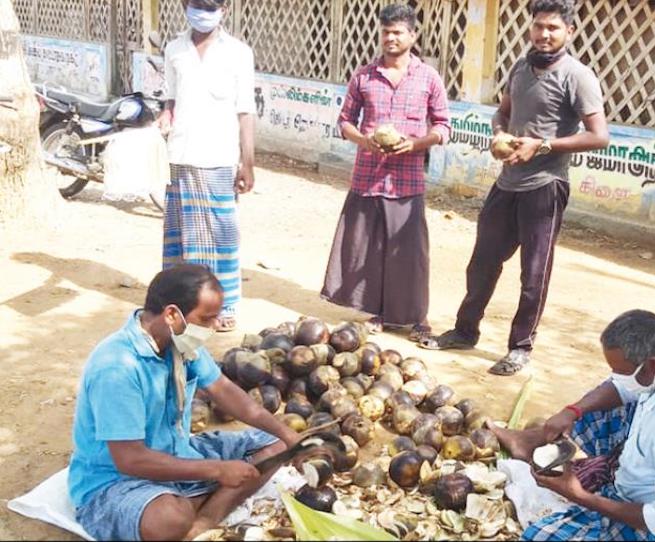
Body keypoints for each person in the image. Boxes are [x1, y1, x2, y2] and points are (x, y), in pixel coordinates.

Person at [420, 0, 609, 375]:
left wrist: (542, 145)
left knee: (533, 274)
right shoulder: (521, 68)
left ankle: (520, 347)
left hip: (545, 186)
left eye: (553, 28)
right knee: (482, 263)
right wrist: (500, 133)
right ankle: (464, 330)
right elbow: (502, 112)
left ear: (569, 32)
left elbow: (599, 136)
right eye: (539, 26)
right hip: (507, 184)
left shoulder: (578, 76)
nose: (544, 34)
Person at [68, 265, 303, 541]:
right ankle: (193, 504)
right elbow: (129, 459)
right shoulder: (116, 368)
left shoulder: (181, 344)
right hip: (114, 482)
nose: (215, 326)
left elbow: (224, 390)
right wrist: (217, 470)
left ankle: (203, 520)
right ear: (172, 315)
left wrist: (289, 436)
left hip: (178, 454)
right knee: (169, 518)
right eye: (207, 318)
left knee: (273, 446)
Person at [489, 310, 655, 541]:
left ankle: (605, 492)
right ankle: (530, 440)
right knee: (597, 406)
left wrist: (579, 496)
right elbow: (619, 388)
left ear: (652, 365)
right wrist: (572, 411)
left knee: (537, 537)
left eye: (621, 371)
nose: (616, 377)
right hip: (649, 469)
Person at [321, 3, 451, 342]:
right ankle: (378, 312)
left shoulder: (428, 78)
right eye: (386, 32)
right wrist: (364, 140)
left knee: (411, 252)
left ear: (412, 35)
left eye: (398, 32)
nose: (391, 38)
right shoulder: (364, 76)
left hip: (408, 180)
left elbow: (443, 126)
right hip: (368, 177)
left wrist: (418, 143)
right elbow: (344, 121)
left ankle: (417, 316)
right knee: (370, 249)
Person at [158, 0, 256, 332]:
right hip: (181, 156)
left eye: (210, 6)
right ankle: (184, 304)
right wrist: (165, 115)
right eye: (197, 5)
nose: (203, 12)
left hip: (219, 160)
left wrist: (249, 161)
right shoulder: (174, 48)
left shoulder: (239, 53)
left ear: (224, 8)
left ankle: (223, 305)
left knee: (223, 236)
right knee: (182, 237)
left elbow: (246, 110)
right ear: (185, 5)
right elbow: (170, 97)